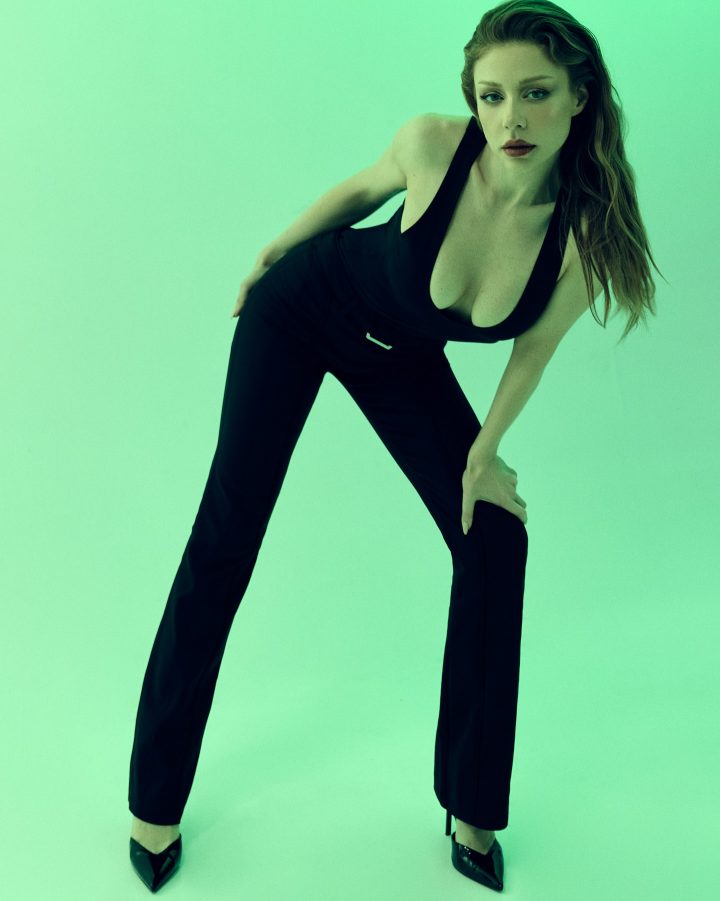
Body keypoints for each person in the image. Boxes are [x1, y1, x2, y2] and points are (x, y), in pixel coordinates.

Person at [127, 0, 661, 893]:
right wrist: (272, 252)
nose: (512, 119)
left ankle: (472, 805)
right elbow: (357, 195)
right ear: (473, 99)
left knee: (495, 537)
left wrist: (484, 454)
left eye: (536, 93)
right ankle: (153, 798)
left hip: (400, 359)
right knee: (226, 535)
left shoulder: (580, 238)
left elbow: (531, 355)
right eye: (493, 96)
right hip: (301, 314)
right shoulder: (434, 144)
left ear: (580, 97)